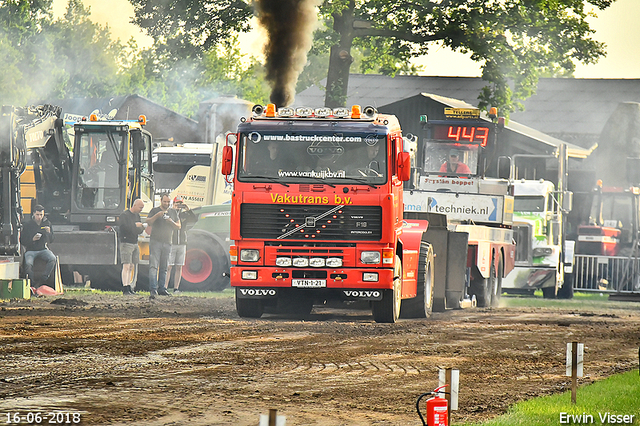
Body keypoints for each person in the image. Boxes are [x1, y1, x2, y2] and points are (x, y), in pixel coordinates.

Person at [146, 194, 180, 299]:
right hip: (155, 241)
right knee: (153, 266)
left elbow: (179, 226)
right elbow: (148, 222)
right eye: (165, 201)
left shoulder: (173, 212)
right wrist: (158, 215)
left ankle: (162, 288)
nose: (166, 204)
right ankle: (153, 289)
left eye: (168, 202)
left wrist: (171, 222)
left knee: (164, 267)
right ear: (161, 201)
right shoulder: (154, 210)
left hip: (168, 242)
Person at [165, 196, 197, 294]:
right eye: (176, 203)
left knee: (179, 266)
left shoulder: (184, 215)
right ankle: (164, 287)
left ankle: (176, 288)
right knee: (169, 266)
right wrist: (173, 209)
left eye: (180, 203)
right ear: (173, 203)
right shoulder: (169, 213)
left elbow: (194, 219)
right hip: (172, 242)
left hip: (182, 243)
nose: (178, 205)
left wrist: (188, 209)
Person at [21, 205, 57, 289]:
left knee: (52, 258)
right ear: (34, 214)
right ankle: (32, 283)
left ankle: (44, 278)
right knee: (28, 263)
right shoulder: (28, 225)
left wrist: (49, 233)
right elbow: (22, 240)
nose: (39, 217)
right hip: (31, 250)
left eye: (41, 215)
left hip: (43, 249)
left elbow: (52, 240)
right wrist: (32, 239)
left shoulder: (47, 223)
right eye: (37, 214)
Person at [118, 199, 145, 295]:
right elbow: (123, 228)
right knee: (126, 265)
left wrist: (141, 228)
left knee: (132, 265)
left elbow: (138, 230)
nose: (141, 209)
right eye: (140, 207)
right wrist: (135, 225)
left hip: (134, 242)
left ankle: (129, 286)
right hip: (126, 242)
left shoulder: (137, 216)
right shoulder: (124, 215)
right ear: (134, 205)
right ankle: (125, 287)